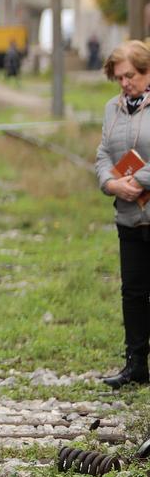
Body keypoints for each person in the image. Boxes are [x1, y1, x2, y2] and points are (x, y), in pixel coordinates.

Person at [97, 40, 150, 388]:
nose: (124, 83)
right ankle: (135, 366)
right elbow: (103, 154)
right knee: (132, 292)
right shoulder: (111, 109)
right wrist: (112, 185)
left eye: (129, 76)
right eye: (118, 78)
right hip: (129, 215)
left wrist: (139, 179)